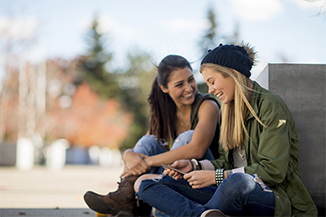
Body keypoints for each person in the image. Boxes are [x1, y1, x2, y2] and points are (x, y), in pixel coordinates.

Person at [135, 43, 318, 217]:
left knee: (238, 182)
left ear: (232, 73)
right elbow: (226, 162)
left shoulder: (270, 106)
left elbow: (272, 170)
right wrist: (194, 165)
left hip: (273, 197)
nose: (210, 90)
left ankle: (194, 213)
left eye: (212, 81)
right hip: (230, 193)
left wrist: (216, 177)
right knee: (147, 184)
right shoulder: (228, 111)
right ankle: (204, 214)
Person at [83, 54, 221, 216]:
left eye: (190, 79)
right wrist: (128, 154)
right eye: (179, 84)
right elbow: (144, 146)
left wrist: (146, 162)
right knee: (149, 141)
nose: (189, 88)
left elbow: (196, 149)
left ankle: (152, 198)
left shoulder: (208, 105)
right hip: (172, 176)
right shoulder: (163, 111)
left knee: (187, 138)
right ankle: (127, 199)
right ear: (164, 88)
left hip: (204, 181)